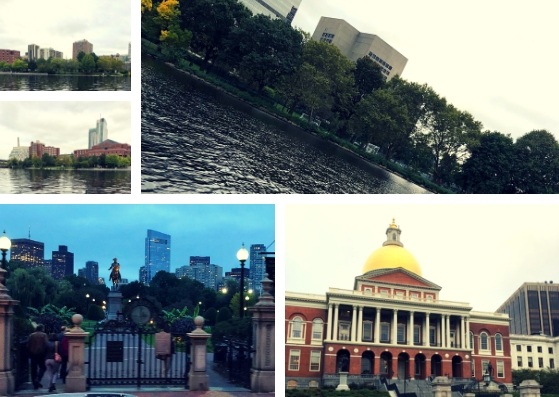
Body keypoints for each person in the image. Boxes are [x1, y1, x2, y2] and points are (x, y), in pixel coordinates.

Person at [27, 324, 49, 389]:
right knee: (43, 367)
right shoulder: (44, 335)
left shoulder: (31, 335)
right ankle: (38, 379)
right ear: (42, 329)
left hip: (33, 353)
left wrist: (29, 352)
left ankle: (34, 382)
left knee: (33, 369)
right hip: (41, 354)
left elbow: (28, 344)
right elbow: (46, 344)